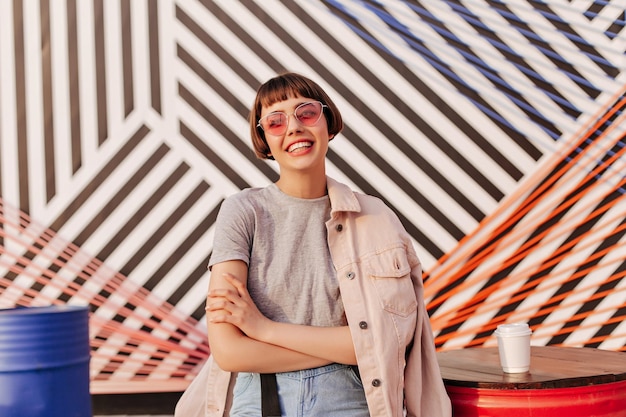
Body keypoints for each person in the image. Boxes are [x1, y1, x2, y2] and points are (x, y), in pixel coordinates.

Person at [175, 72, 451, 417]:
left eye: (306, 113)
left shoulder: (376, 218)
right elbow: (230, 352)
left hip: (351, 395)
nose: (293, 127)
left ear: (327, 123)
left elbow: (391, 340)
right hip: (261, 396)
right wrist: (352, 344)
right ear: (264, 139)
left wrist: (263, 329)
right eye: (275, 122)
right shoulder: (243, 211)